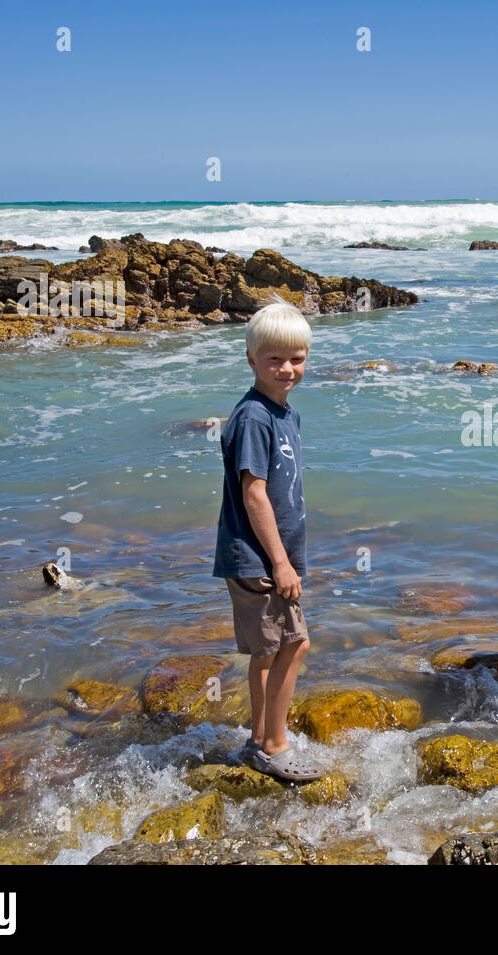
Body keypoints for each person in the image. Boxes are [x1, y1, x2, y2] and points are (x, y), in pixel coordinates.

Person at [212, 293, 321, 782]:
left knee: (268, 649)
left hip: (265, 556)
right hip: (257, 557)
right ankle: (275, 746)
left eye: (296, 359)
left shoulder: (285, 413)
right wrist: (280, 562)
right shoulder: (254, 416)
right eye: (274, 359)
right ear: (251, 358)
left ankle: (259, 739)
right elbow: (253, 494)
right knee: (293, 645)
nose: (286, 369)